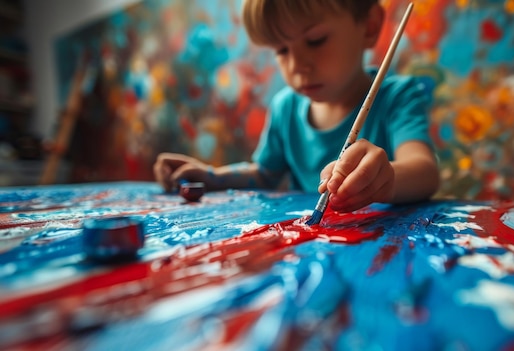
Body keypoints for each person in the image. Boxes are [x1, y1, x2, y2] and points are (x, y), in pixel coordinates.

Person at [153, 0, 440, 213]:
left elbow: (425, 171)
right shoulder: (285, 108)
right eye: (281, 50)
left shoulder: (398, 97)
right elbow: (265, 175)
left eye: (315, 41)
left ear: (370, 26)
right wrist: (211, 176)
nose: (296, 65)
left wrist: (386, 181)